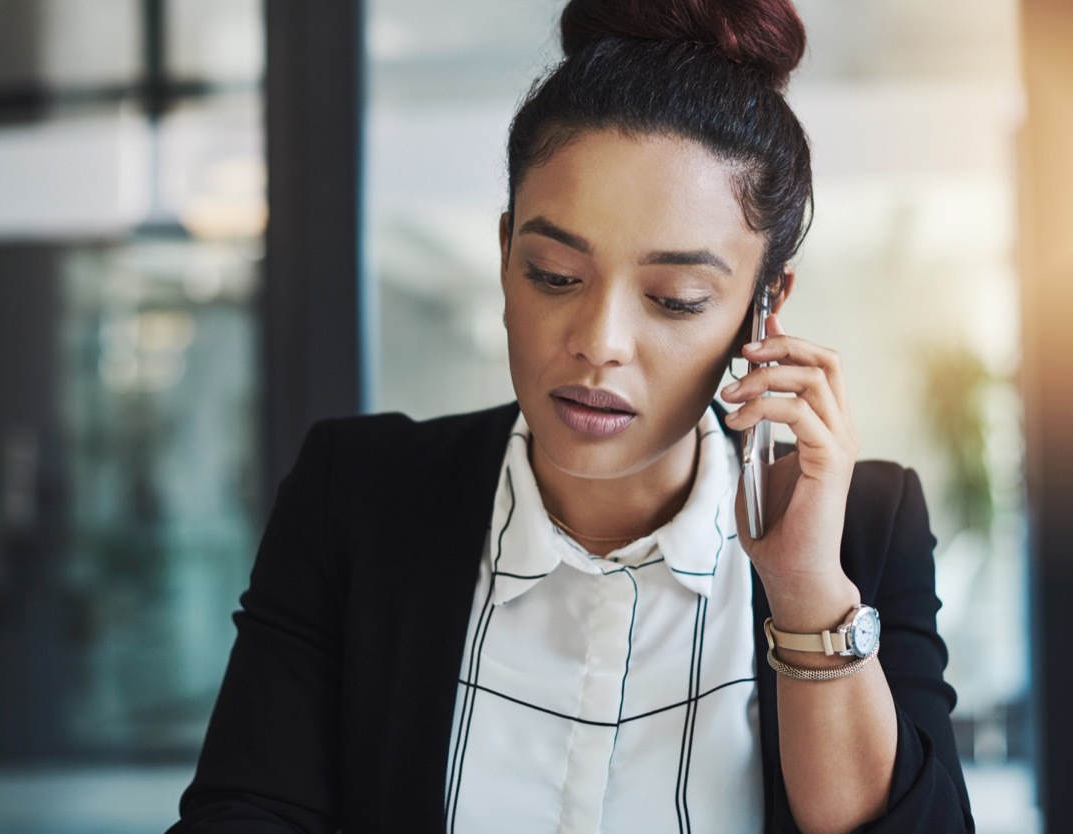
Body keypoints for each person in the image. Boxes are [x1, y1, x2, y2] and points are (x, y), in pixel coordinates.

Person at [168, 0, 973, 831]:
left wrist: (807, 593)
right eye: (554, 275)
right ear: (506, 251)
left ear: (763, 310)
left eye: (675, 299)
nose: (599, 343)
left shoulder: (863, 531)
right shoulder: (358, 497)